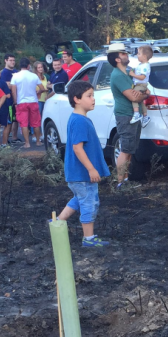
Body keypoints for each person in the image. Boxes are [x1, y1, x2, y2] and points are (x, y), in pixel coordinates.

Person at [56, 80, 111, 247]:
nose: (93, 99)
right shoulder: (79, 121)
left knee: (79, 199)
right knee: (89, 202)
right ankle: (89, 238)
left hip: (76, 174)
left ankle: (58, 221)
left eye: (93, 95)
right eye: (89, 96)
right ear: (77, 99)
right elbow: (77, 148)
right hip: (82, 174)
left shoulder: (79, 118)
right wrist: (91, 169)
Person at [108, 43, 149, 185]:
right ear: (117, 59)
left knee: (130, 150)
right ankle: (120, 182)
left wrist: (142, 93)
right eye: (123, 53)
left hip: (133, 114)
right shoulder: (118, 75)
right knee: (125, 149)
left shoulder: (128, 72)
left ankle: (125, 179)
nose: (127, 55)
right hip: (125, 115)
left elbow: (141, 89)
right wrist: (144, 96)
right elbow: (134, 97)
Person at [10, 58, 44, 148]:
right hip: (33, 101)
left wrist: (15, 102)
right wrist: (38, 93)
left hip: (21, 102)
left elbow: (14, 91)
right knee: (36, 122)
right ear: (29, 66)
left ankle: (27, 143)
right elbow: (42, 88)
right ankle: (38, 141)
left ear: (20, 65)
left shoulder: (15, 76)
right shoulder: (34, 76)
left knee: (24, 123)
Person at [128, 45, 152, 128]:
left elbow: (142, 77)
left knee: (134, 97)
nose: (137, 55)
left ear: (144, 56)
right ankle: (145, 116)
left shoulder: (145, 66)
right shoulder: (141, 65)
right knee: (140, 101)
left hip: (140, 85)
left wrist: (132, 74)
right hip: (139, 85)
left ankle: (137, 114)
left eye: (138, 54)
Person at [0, 54, 20, 144]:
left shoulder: (16, 71)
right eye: (10, 60)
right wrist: (15, 85)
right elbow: (7, 85)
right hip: (9, 101)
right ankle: (6, 140)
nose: (12, 62)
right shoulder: (4, 73)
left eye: (13, 60)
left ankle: (14, 138)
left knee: (16, 120)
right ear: (6, 61)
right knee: (9, 121)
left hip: (17, 99)